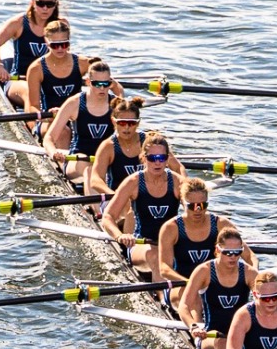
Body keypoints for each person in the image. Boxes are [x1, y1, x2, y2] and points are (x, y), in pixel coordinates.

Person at [98, 130, 189, 278]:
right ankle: (163, 299)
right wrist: (120, 236)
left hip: (168, 244)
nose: (157, 162)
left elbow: (192, 212)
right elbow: (108, 216)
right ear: (143, 158)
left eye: (162, 158)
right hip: (140, 243)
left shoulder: (177, 182)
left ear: (167, 160)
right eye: (152, 158)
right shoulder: (133, 182)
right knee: (155, 256)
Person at [177, 224, 256, 349]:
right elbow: (183, 306)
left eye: (237, 252)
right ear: (217, 251)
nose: (233, 257)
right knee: (222, 343)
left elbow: (265, 303)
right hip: (209, 334)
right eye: (227, 252)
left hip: (240, 335)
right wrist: (193, 326)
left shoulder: (249, 273)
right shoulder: (204, 271)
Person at [40, 57, 123, 184]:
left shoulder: (116, 105)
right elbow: (49, 138)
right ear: (88, 82)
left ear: (111, 83)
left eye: (106, 84)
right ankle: (100, 201)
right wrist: (53, 153)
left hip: (105, 161)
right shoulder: (75, 103)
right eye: (97, 84)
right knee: (89, 170)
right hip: (78, 160)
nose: (102, 88)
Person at [154, 177, 247, 286]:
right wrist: (193, 284)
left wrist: (255, 278)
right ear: (183, 203)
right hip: (181, 284)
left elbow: (250, 256)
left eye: (202, 205)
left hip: (212, 285)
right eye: (192, 206)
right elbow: (165, 269)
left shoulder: (221, 224)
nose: (197, 210)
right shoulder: (171, 228)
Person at [0, 0, 59, 106]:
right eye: (40, 3)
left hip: (46, 82)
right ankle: (36, 124)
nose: (45, 8)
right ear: (33, 3)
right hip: (18, 80)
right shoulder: (19, 23)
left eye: (49, 4)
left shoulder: (60, 26)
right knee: (30, 91)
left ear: (55, 4)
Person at [21, 18, 84, 124]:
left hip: (75, 119)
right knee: (63, 131)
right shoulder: (36, 69)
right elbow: (33, 107)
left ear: (69, 41)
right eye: (55, 45)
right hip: (49, 120)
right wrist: (46, 118)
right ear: (46, 41)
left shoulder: (83, 63)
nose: (60, 49)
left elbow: (109, 84)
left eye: (64, 44)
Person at [85, 97, 148, 197]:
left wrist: (182, 184)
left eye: (131, 123)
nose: (126, 127)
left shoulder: (148, 142)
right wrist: (117, 197)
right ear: (114, 121)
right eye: (122, 123)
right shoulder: (108, 146)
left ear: (138, 122)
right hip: (115, 198)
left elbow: (177, 167)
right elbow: (95, 180)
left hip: (143, 200)